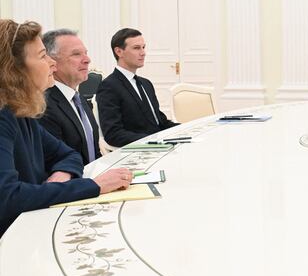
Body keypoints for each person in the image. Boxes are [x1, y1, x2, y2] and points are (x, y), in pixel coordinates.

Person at [0, 20, 131, 237]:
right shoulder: (4, 117)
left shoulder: (22, 112)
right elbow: (7, 197)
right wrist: (94, 186)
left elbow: (68, 154)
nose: (52, 63)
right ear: (15, 70)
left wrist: (62, 173)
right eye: (43, 56)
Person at [96, 28, 178, 147]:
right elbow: (113, 134)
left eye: (143, 47)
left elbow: (160, 122)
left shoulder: (146, 84)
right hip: (141, 151)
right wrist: (154, 140)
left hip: (161, 146)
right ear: (119, 52)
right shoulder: (109, 87)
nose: (143, 52)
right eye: (136, 48)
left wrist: (188, 128)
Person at [38, 29, 101, 165]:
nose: (87, 60)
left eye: (86, 53)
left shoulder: (79, 99)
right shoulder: (43, 105)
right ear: (51, 61)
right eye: (76, 54)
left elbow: (93, 152)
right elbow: (54, 162)